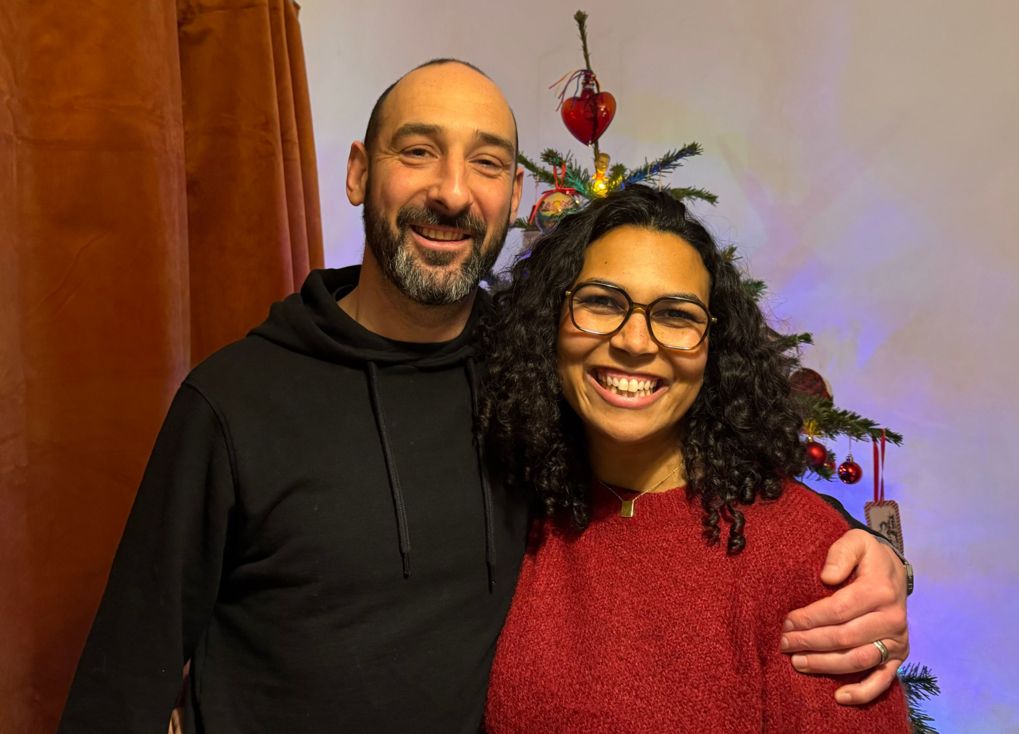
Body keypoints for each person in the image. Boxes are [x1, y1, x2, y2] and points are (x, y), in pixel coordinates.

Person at [58, 60, 909, 734]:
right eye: (416, 151)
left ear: (511, 197)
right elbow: (121, 683)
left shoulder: (536, 378)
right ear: (358, 173)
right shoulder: (235, 402)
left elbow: (681, 477)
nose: (453, 192)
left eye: (488, 163)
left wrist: (867, 556)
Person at [481, 184, 910, 731]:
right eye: (601, 302)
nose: (636, 342)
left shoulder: (806, 558)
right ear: (550, 322)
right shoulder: (514, 507)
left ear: (714, 349)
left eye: (676, 315)